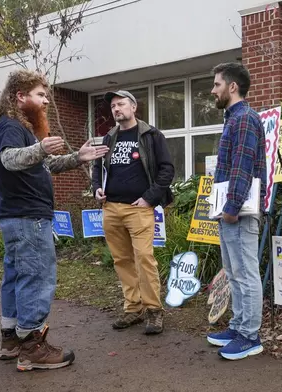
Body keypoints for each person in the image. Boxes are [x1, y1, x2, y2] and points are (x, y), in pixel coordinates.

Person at [0, 69, 109, 371]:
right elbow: (10, 159)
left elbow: (46, 165)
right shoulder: (11, 126)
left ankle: (12, 340)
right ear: (20, 96)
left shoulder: (18, 127)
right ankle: (33, 347)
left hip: (18, 216)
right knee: (37, 276)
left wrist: (78, 158)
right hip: (28, 217)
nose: (44, 102)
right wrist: (40, 147)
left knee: (17, 276)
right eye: (40, 95)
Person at [91, 90, 174, 335]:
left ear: (134, 107)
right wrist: (96, 188)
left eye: (121, 104)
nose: (116, 109)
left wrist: (149, 199)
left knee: (144, 259)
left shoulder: (151, 135)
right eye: (113, 106)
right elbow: (98, 167)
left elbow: (167, 170)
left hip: (139, 209)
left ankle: (153, 310)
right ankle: (133, 307)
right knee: (122, 260)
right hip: (111, 208)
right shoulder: (109, 137)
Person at [206, 63, 267, 360]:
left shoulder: (243, 119)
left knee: (245, 273)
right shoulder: (234, 119)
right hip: (230, 212)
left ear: (232, 87)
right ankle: (239, 326)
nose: (213, 90)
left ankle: (250, 335)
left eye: (217, 84)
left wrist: (230, 208)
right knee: (234, 272)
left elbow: (243, 168)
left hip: (239, 212)